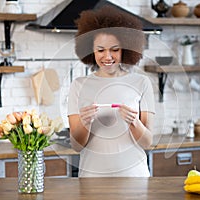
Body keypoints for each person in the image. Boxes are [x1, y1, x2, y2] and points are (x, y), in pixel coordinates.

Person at [67, 5, 155, 177]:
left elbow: (147, 143)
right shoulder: (78, 85)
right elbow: (76, 146)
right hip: (92, 178)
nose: (107, 57)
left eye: (114, 50)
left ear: (125, 50)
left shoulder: (141, 82)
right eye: (100, 50)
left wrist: (133, 122)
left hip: (134, 177)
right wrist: (85, 123)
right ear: (91, 50)